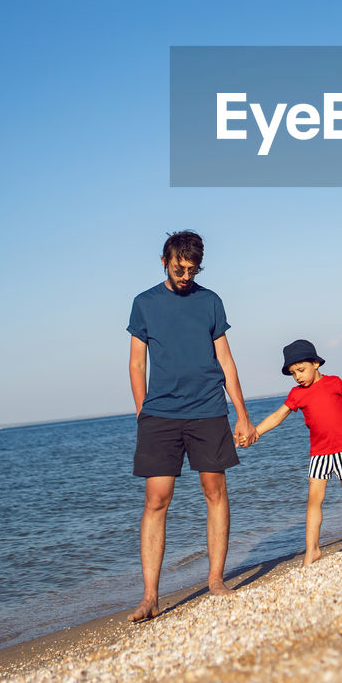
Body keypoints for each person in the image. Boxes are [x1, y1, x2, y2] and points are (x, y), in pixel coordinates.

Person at [126, 230, 257, 620]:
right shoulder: (144, 304)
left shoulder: (210, 301)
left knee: (214, 490)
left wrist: (243, 414)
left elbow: (227, 362)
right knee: (156, 500)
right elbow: (136, 363)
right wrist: (142, 413)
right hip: (160, 415)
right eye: (180, 268)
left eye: (193, 269)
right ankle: (150, 596)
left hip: (207, 409)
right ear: (165, 261)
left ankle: (216, 580)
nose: (186, 275)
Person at [244, 338, 342, 566]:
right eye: (292, 373)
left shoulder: (335, 383)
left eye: (300, 370)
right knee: (314, 501)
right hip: (319, 454)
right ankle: (313, 551)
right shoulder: (297, 394)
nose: (297, 376)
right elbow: (278, 416)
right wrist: (255, 432)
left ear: (315, 364)